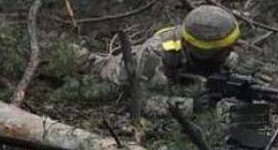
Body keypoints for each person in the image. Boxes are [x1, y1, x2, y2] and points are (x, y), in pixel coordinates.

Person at [91, 5, 240, 88]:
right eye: (224, 50)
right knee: (92, 64)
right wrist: (189, 104)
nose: (230, 52)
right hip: (120, 73)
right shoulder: (155, 55)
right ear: (202, 51)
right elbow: (138, 100)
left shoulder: (224, 56)